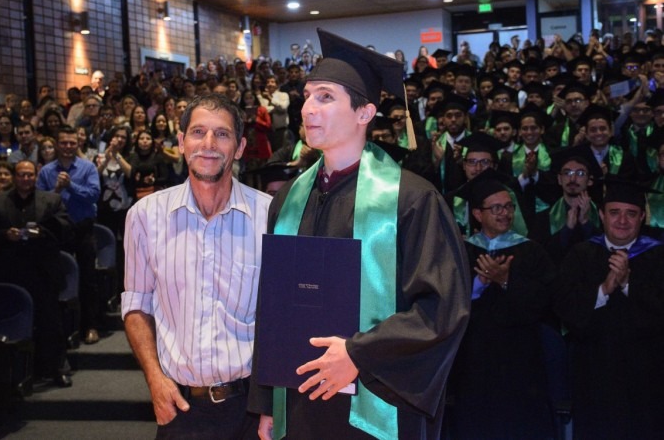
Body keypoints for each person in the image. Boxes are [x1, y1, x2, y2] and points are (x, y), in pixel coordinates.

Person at [248, 29, 470, 439]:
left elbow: (441, 310)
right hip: (299, 399)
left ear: (365, 113)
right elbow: (275, 303)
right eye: (308, 95)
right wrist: (266, 403)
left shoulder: (411, 200)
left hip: (376, 401)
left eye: (326, 97)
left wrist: (357, 354)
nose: (307, 108)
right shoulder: (288, 200)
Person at [122, 93, 271, 439]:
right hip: (180, 407)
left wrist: (274, 402)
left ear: (240, 146)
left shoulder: (270, 216)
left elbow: (283, 318)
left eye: (222, 134)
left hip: (252, 410)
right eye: (198, 132)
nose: (208, 144)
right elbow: (136, 306)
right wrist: (155, 379)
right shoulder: (144, 217)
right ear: (181, 142)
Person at [554, 179, 664, 439]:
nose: (622, 221)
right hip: (594, 373)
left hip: (649, 376)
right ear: (601, 215)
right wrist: (604, 289)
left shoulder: (658, 256)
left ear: (643, 217)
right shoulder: (580, 254)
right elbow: (564, 308)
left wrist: (628, 284)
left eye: (631, 214)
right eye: (614, 212)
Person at [448, 174, 555, 439]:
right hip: (474, 360)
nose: (505, 213)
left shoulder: (532, 251)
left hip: (520, 361)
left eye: (509, 207)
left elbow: (546, 302)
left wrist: (506, 280)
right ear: (477, 214)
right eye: (496, 208)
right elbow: (448, 304)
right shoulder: (462, 252)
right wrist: (479, 284)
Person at [0, 160, 74, 387]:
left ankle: (55, 368)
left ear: (36, 176)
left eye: (29, 175)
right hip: (10, 271)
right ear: (14, 176)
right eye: (21, 175)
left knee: (50, 322)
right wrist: (5, 234)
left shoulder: (51, 199)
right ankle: (10, 374)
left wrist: (41, 232)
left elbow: (65, 230)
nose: (25, 179)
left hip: (43, 271)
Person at [37, 125, 101, 345]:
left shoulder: (87, 168)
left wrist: (70, 186)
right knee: (58, 280)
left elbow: (93, 195)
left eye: (72, 143)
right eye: (63, 142)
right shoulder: (46, 171)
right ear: (57, 144)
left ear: (78, 144)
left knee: (87, 279)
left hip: (82, 228)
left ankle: (90, 326)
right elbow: (40, 204)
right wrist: (56, 189)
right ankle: (61, 330)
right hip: (56, 230)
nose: (67, 147)